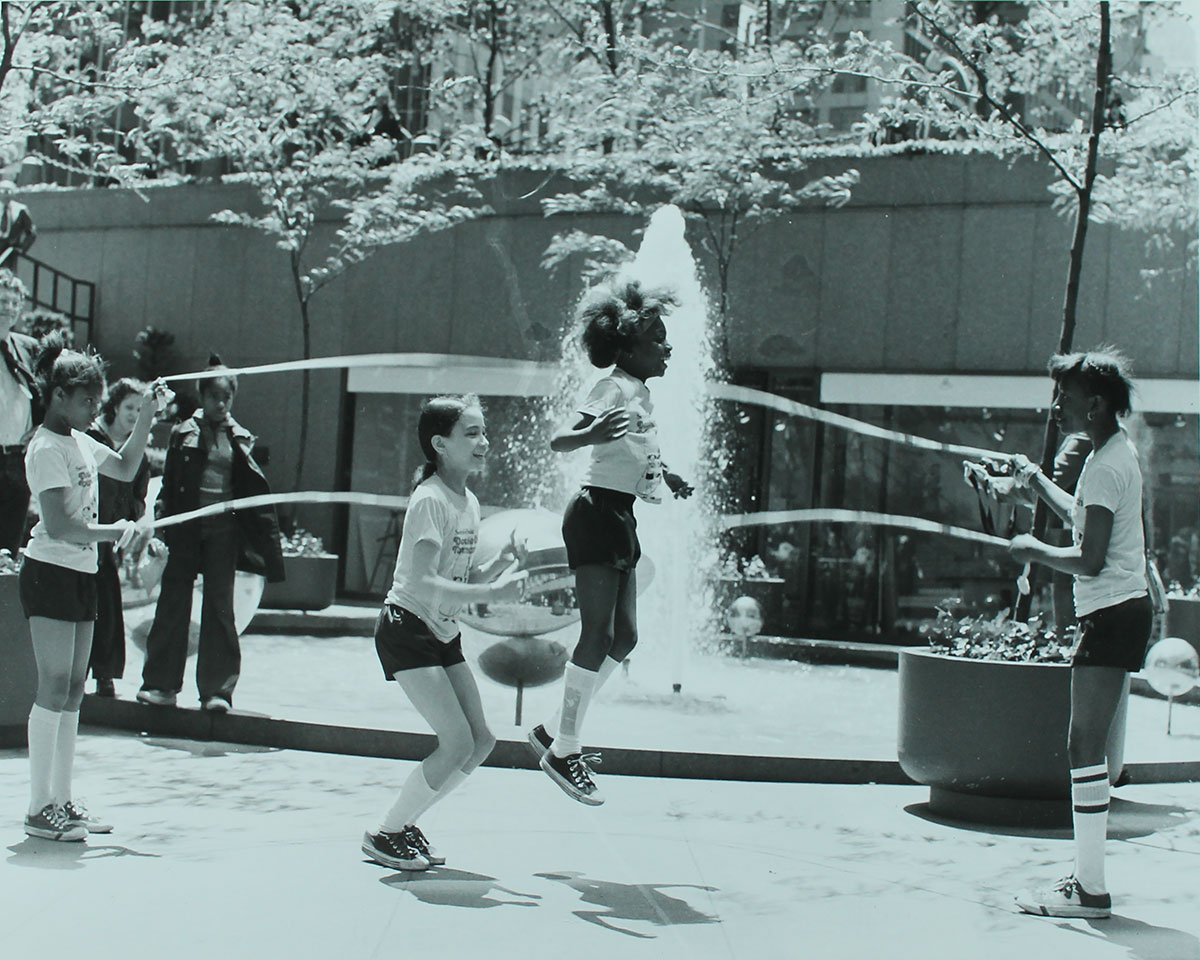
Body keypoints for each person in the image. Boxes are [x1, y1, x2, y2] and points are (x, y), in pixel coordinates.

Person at [526, 280, 692, 806]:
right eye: (658, 341)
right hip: (596, 513)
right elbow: (562, 440)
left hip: (621, 516)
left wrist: (668, 477)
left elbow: (638, 455)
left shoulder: (640, 395)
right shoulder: (612, 387)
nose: (667, 348)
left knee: (626, 640)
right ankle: (564, 749)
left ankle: (555, 729)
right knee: (597, 636)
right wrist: (591, 436)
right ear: (627, 350)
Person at [1008, 348, 1151, 920]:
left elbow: (1090, 558)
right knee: (1084, 747)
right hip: (1118, 611)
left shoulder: (1108, 463)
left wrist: (1032, 549)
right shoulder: (1111, 454)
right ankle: (1087, 882)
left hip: (1111, 611)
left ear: (1095, 404)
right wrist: (1037, 482)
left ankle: (1090, 890)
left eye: (1064, 397)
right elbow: (1087, 516)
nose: (1057, 407)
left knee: (1083, 748)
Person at [362, 394, 526, 871]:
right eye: (471, 433)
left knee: (482, 741)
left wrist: (501, 564)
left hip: (441, 631)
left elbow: (458, 574)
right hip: (407, 627)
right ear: (440, 444)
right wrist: (494, 594)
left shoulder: (467, 500)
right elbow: (424, 582)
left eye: (483, 431)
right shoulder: (430, 499)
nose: (483, 441)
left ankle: (404, 824)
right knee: (455, 742)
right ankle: (385, 833)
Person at [21, 333, 164, 841]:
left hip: (81, 574)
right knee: (54, 685)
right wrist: (117, 531)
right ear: (58, 395)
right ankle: (39, 807)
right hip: (50, 573)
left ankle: (62, 799)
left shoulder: (81, 440)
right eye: (86, 402)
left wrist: (147, 413)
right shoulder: (44, 448)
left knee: (75, 690)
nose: (91, 411)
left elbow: (125, 467)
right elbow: (58, 525)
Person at [137, 355, 284, 712]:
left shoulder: (240, 437)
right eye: (214, 396)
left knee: (220, 609)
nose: (220, 404)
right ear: (201, 396)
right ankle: (160, 685)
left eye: (227, 397)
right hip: (184, 529)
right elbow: (167, 490)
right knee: (173, 605)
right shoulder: (182, 432)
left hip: (223, 532)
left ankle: (217, 692)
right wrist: (160, 528)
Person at [86, 378, 152, 697]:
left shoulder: (139, 454)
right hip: (84, 533)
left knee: (108, 605)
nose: (134, 415)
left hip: (111, 541)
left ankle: (104, 674)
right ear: (113, 406)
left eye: (141, 410)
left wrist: (130, 520)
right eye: (129, 407)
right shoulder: (90, 439)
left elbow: (139, 495)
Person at [0, 269, 41, 556]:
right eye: (2, 301)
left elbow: (46, 397)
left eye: (15, 303)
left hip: (17, 460)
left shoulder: (27, 348)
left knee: (9, 547)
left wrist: (39, 429)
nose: (8, 308)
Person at [0, 180, 36, 267]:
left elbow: (31, 233)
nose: (6, 193)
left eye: (9, 191)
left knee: (6, 276)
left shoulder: (20, 209)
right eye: (3, 190)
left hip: (9, 251)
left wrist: (22, 248)